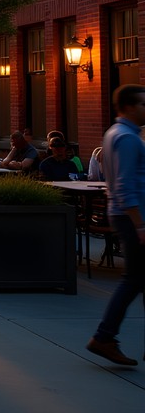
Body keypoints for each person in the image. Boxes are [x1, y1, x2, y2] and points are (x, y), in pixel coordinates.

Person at [87, 84, 145, 367]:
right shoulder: (128, 139)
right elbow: (124, 185)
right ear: (130, 107)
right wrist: (140, 225)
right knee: (133, 279)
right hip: (132, 217)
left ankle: (106, 336)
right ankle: (104, 336)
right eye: (143, 104)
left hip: (124, 215)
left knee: (137, 279)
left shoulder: (114, 134)